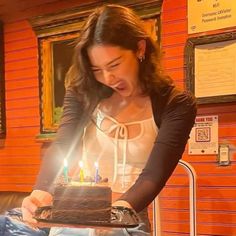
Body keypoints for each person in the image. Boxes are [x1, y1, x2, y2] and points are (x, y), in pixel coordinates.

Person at [1, 4, 197, 236]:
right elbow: (63, 144)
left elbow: (152, 177)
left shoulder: (176, 103)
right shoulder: (82, 92)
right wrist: (41, 190)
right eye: (97, 69)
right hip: (75, 206)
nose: (108, 77)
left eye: (114, 65)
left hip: (128, 211)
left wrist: (113, 218)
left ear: (140, 49)